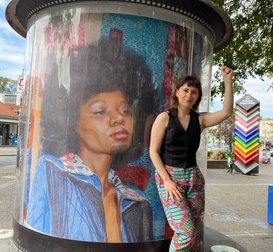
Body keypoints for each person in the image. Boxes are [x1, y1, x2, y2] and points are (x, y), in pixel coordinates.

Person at [26, 38, 157, 243]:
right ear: (72, 122)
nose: (118, 118)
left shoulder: (138, 204)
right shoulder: (53, 174)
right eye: (100, 111)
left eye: (125, 110)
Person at [149, 65, 233, 251]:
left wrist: (228, 81)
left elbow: (226, 112)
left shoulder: (200, 119)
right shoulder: (164, 118)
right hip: (170, 178)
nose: (189, 95)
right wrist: (167, 181)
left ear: (197, 96)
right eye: (185, 90)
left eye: (194, 92)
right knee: (185, 232)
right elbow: (153, 152)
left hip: (193, 178)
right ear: (177, 92)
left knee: (195, 232)